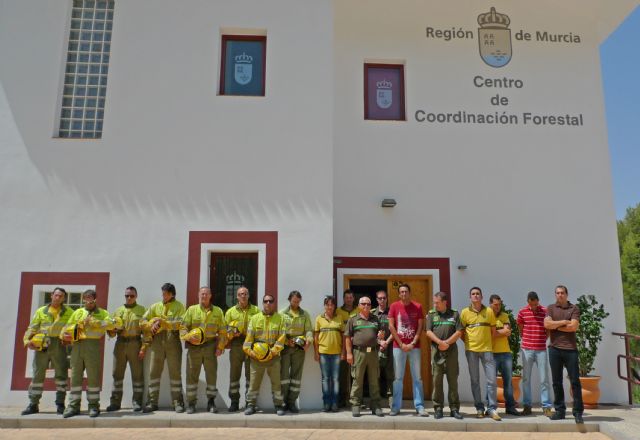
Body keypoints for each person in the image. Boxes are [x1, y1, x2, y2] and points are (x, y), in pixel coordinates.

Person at [21, 287, 74, 416]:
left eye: (61, 296)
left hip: (59, 345)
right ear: (52, 295)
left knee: (61, 375)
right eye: (56, 295)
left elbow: (73, 328)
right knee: (38, 374)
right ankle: (33, 404)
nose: (58, 298)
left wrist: (70, 339)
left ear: (64, 298)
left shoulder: (69, 312)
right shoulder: (41, 311)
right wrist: (27, 341)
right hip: (42, 345)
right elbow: (32, 327)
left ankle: (60, 404)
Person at [61, 289, 113, 418]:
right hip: (77, 346)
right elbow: (66, 328)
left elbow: (112, 324)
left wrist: (96, 323)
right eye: (86, 298)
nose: (88, 301)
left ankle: (94, 406)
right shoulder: (78, 312)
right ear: (83, 299)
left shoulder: (102, 313)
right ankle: (73, 406)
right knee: (75, 376)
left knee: (93, 377)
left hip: (93, 346)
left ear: (95, 299)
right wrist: (70, 332)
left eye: (91, 298)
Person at [180, 286, 227, 414]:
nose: (204, 296)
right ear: (198, 295)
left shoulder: (217, 311)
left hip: (210, 347)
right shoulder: (191, 310)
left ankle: (211, 402)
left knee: (211, 376)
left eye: (206, 294)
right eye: (202, 294)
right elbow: (183, 328)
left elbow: (223, 332)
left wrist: (220, 347)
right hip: (194, 348)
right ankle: (191, 403)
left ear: (210, 296)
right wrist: (188, 337)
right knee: (191, 375)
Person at [141, 282, 186, 413]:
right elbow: (142, 321)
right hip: (157, 343)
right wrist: (151, 324)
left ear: (172, 294)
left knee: (175, 373)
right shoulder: (155, 306)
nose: (163, 296)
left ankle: (178, 402)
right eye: (162, 294)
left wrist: (164, 323)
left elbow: (181, 323)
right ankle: (152, 402)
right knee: (154, 372)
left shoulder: (180, 307)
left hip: (173, 341)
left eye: (166, 294)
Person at [460, 286, 501, 421]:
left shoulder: (489, 311)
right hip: (471, 350)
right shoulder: (465, 312)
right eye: (473, 294)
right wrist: (469, 343)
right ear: (470, 297)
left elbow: (493, 331)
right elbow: (461, 333)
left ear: (482, 297)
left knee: (492, 381)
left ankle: (492, 409)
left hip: (487, 350)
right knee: (475, 380)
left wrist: (486, 343)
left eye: (478, 294)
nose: (476, 296)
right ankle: (479, 408)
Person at [243, 293, 288, 416]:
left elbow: (282, 338)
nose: (268, 303)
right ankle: (251, 405)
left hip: (273, 358)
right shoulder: (255, 318)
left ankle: (278, 405)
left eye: (271, 301)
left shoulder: (281, 319)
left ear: (274, 303)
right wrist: (252, 353)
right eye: (266, 301)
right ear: (262, 303)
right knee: (253, 383)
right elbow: (248, 339)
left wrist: (272, 352)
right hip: (256, 358)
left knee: (276, 383)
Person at [544, 285, 583, 424]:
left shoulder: (574, 308)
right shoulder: (550, 308)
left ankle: (578, 413)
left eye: (562, 293)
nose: (559, 295)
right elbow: (547, 325)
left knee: (575, 382)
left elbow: (573, 327)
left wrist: (556, 326)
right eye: (557, 293)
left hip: (570, 349)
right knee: (556, 382)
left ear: (567, 294)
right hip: (554, 349)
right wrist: (563, 322)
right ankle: (560, 411)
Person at [388, 283, 427, 417]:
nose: (404, 294)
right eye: (401, 292)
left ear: (410, 293)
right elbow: (391, 327)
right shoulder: (394, 306)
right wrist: (401, 344)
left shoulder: (418, 306)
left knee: (417, 378)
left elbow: (420, 327)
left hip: (414, 347)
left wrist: (413, 342)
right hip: (398, 348)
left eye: (406, 291)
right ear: (399, 294)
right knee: (398, 378)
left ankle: (420, 406)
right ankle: (396, 407)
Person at [106, 286, 146, 412]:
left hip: (135, 343)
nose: (129, 298)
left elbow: (146, 331)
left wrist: (144, 347)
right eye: (127, 296)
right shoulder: (118, 311)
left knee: (137, 375)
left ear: (136, 296)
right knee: (117, 374)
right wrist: (112, 330)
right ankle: (115, 402)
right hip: (120, 343)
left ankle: (137, 402)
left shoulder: (142, 310)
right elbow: (111, 332)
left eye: (132, 296)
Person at [425, 291, 463, 420]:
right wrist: (440, 342)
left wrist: (446, 343)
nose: (435, 305)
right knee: (437, 380)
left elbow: (459, 332)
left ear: (445, 302)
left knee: (453, 380)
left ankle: (454, 408)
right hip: (436, 351)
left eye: (437, 302)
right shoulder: (431, 315)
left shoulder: (454, 314)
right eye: (434, 302)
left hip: (451, 351)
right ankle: (438, 408)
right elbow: (428, 331)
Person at [345, 297, 384, 417]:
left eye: (368, 304)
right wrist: (349, 353)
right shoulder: (353, 320)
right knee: (357, 379)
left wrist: (381, 336)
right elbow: (347, 337)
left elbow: (379, 336)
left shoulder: (375, 319)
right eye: (363, 304)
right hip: (358, 353)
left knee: (374, 380)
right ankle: (356, 405)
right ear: (359, 305)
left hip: (373, 353)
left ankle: (376, 406)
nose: (366, 306)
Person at [224, 285, 260, 412]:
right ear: (237, 296)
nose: (243, 296)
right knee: (234, 375)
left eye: (245, 294)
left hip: (251, 345)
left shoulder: (256, 311)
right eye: (240, 294)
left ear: (249, 295)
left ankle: (250, 403)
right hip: (236, 345)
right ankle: (234, 402)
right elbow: (225, 329)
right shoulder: (230, 312)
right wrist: (232, 333)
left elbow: (260, 327)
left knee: (251, 376)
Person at [517, 291, 552, 416]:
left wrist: (543, 339)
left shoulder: (545, 311)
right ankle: (527, 406)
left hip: (541, 349)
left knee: (544, 379)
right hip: (527, 349)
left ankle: (546, 407)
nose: (534, 307)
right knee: (526, 379)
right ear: (528, 302)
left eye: (535, 304)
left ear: (538, 300)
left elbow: (548, 329)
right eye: (531, 304)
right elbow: (520, 327)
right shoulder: (522, 312)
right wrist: (525, 338)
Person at [280, 290, 313, 413]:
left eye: (298, 301)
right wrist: (286, 341)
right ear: (289, 300)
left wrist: (308, 342)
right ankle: (283, 402)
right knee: (283, 376)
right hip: (285, 348)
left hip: (299, 348)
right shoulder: (282, 314)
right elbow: (278, 331)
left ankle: (292, 402)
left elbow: (309, 330)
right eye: (294, 301)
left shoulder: (305, 314)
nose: (296, 303)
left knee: (296, 377)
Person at [488, 294, 521, 416]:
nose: (498, 307)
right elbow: (490, 335)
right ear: (490, 304)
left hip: (506, 353)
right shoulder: (487, 316)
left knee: (508, 382)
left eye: (499, 304)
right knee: (491, 382)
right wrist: (499, 332)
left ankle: (510, 407)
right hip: (492, 354)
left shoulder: (505, 315)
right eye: (495, 305)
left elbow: (507, 332)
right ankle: (490, 408)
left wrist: (497, 332)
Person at [314, 295, 345, 412]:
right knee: (326, 379)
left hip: (337, 353)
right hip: (323, 353)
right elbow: (316, 337)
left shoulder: (339, 318)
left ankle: (335, 403)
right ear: (324, 306)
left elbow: (343, 336)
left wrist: (343, 352)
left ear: (334, 306)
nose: (330, 307)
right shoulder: (319, 319)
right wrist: (316, 352)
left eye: (332, 304)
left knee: (336, 379)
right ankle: (326, 403)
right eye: (327, 304)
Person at [371, 289, 394, 408]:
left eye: (384, 298)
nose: (382, 300)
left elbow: (395, 329)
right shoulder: (372, 314)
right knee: (375, 374)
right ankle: (376, 400)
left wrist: (386, 342)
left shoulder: (392, 312)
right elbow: (369, 332)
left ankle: (391, 400)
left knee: (390, 374)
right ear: (376, 299)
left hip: (390, 347)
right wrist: (380, 341)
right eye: (380, 298)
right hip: (376, 348)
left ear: (387, 298)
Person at [337, 289, 358, 407]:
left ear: (353, 298)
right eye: (347, 297)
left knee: (356, 374)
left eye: (351, 297)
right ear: (344, 299)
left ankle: (355, 399)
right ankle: (342, 399)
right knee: (343, 375)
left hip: (357, 346)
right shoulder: (338, 311)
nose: (349, 299)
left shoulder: (358, 310)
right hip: (342, 347)